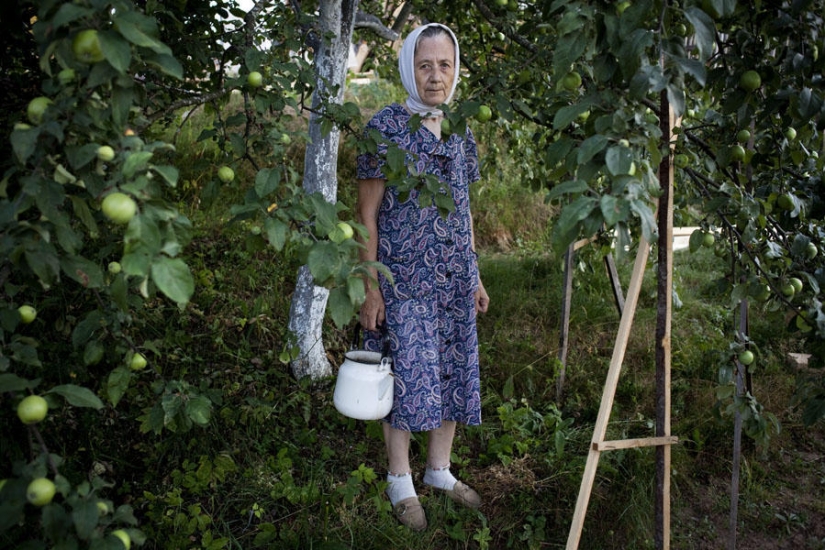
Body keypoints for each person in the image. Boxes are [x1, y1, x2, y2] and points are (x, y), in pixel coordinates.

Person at [355, 22, 489, 531]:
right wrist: (371, 286)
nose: (436, 77)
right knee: (407, 379)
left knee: (452, 371)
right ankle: (399, 481)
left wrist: (474, 274)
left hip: (453, 278)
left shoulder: (459, 129)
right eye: (425, 65)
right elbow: (366, 215)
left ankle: (439, 471)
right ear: (409, 67)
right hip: (404, 279)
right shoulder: (384, 128)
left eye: (445, 65)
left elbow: (464, 206)